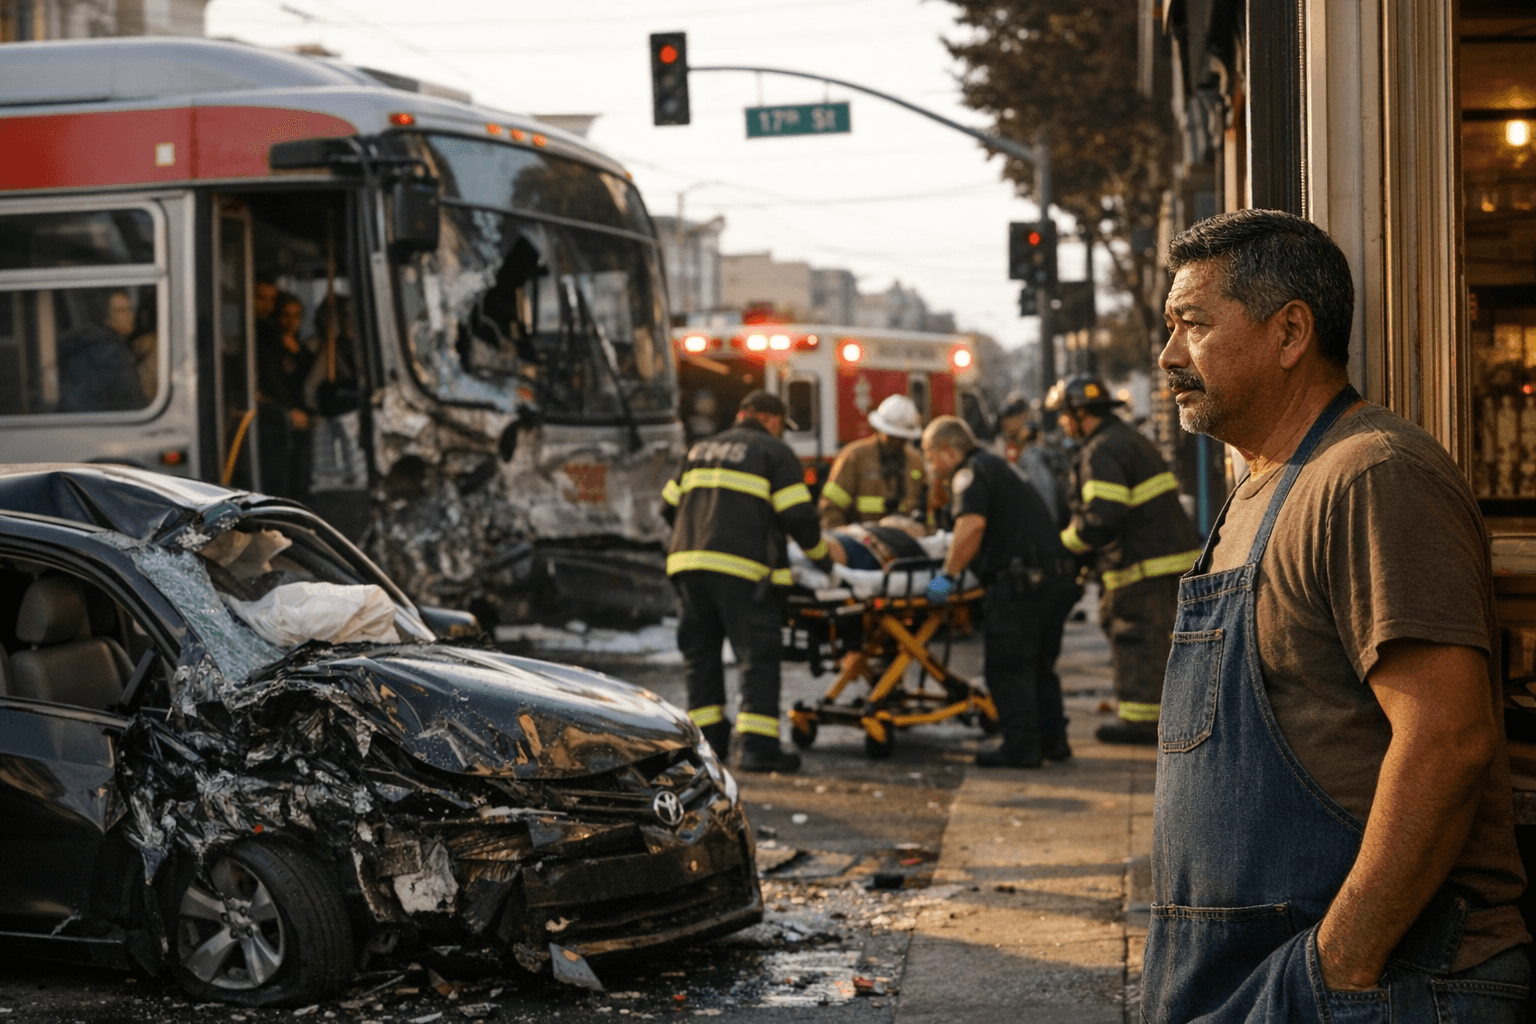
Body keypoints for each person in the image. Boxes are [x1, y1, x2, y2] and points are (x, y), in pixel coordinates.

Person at [1144, 208, 1529, 1021]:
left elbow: (1449, 739)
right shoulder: (1260, 486)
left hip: (1383, 987)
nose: (1169, 355)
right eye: (1169, 327)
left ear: (1290, 333)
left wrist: (1340, 963)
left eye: (1194, 325)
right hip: (1253, 984)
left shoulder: (1371, 475)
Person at [663, 390, 833, 773]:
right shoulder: (773, 452)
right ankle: (758, 748)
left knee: (701, 656)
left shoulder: (699, 449)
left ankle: (708, 747)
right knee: (757, 656)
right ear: (771, 419)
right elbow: (799, 517)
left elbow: (667, 507)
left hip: (686, 565)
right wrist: (824, 562)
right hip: (741, 570)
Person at [1046, 373, 1201, 745]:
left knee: (1136, 638)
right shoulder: (1127, 439)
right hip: (1162, 561)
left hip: (1141, 568)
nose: (1063, 424)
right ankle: (1165, 716)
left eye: (1065, 415)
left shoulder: (1102, 450)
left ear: (1082, 413)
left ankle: (1141, 723)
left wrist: (1063, 545)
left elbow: (1102, 517)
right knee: (1158, 640)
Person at [920, 415, 1079, 767]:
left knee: (1008, 665)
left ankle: (1021, 749)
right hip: (1053, 579)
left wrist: (944, 580)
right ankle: (1053, 743)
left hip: (1020, 583)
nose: (933, 467)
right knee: (1039, 666)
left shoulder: (969, 472)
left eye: (931, 458)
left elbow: (971, 526)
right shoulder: (996, 465)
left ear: (947, 451)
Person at [819, 394, 927, 528]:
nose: (897, 442)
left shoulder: (915, 461)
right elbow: (831, 507)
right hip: (860, 538)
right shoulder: (854, 456)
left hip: (904, 539)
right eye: (892, 436)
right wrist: (839, 539)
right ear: (880, 430)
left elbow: (926, 504)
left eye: (902, 438)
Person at [56, 288, 147, 413]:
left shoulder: (88, 345)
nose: (130, 316)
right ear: (106, 317)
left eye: (130, 309)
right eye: (121, 311)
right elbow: (132, 403)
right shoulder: (112, 354)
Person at [996, 391, 1072, 528]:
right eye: (1005, 419)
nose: (1006, 424)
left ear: (1024, 417)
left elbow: (1046, 491)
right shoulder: (1001, 446)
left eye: (1012, 418)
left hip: (1041, 521)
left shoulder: (1036, 451)